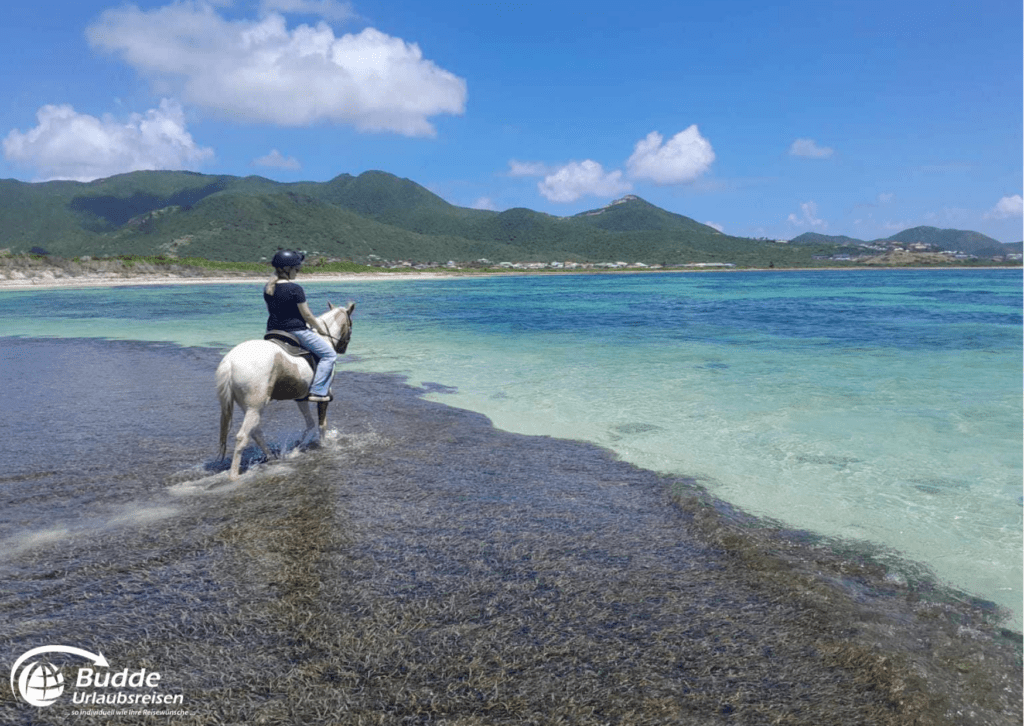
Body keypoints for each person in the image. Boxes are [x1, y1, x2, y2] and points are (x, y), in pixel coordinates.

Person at [264, 249, 337, 402]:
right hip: (295, 331)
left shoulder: (268, 288)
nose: (298, 272)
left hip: (272, 331)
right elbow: (307, 315)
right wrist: (319, 328)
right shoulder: (295, 289)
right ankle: (318, 391)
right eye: (297, 269)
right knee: (329, 355)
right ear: (288, 269)